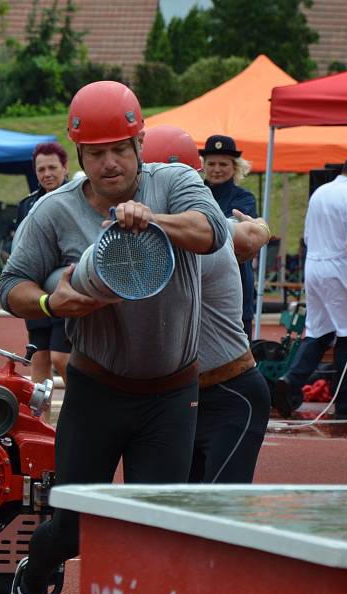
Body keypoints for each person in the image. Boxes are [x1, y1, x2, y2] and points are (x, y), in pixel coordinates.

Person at [0, 81, 228, 594]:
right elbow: (13, 284)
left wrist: (155, 221)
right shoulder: (53, 211)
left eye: (120, 150)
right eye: (96, 153)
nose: (109, 164)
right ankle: (32, 576)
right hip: (96, 391)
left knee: (154, 526)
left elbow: (212, 230)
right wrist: (49, 304)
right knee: (74, 527)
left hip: (171, 395)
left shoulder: (174, 182)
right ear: (78, 151)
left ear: (140, 144)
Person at [143, 124, 272, 483]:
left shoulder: (197, 236)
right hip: (180, 398)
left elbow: (237, 235)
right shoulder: (183, 226)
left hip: (229, 392)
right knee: (176, 516)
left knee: (217, 516)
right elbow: (246, 234)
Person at [275, 152, 347, 419]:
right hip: (340, 267)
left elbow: (307, 235)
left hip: (315, 266)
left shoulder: (320, 192)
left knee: (319, 330)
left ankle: (290, 380)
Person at [14, 143, 72, 386]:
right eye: (41, 169)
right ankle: (42, 423)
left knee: (62, 358)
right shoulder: (27, 205)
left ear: (65, 168)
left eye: (52, 168)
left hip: (65, 288)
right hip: (35, 291)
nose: (47, 174)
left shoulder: (78, 200)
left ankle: (86, 410)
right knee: (39, 360)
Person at [200, 135, 258, 339]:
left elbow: (233, 235)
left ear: (235, 167)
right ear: (203, 166)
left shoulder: (244, 198)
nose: (216, 169)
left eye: (223, 164)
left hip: (236, 284)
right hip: (200, 286)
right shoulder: (194, 194)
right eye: (211, 163)